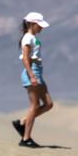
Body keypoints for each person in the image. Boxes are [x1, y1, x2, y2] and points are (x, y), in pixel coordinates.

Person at [11, 12, 54, 148]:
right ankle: (26, 139)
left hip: (37, 72)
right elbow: (25, 58)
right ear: (32, 24)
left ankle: (23, 122)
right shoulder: (27, 38)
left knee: (48, 104)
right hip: (32, 73)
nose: (41, 28)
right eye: (39, 25)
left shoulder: (33, 37)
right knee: (34, 106)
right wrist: (32, 76)